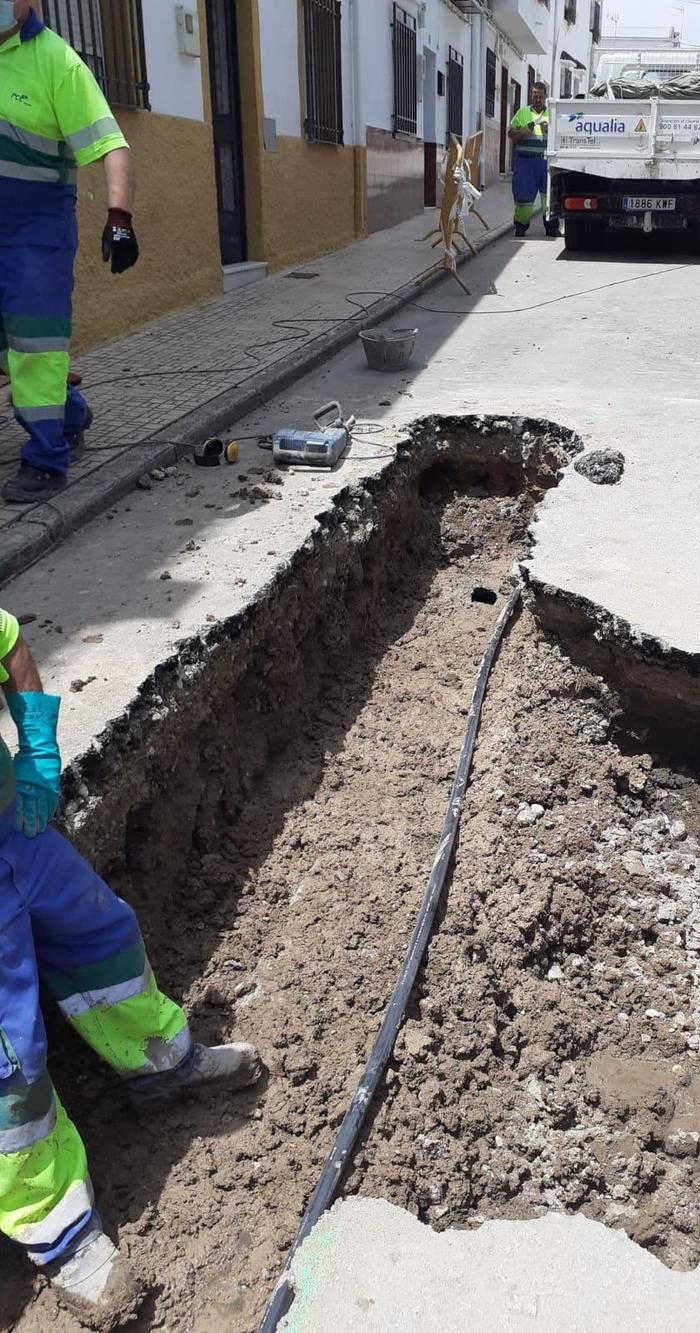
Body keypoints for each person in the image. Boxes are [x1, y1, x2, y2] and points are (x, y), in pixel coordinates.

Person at [0, 607, 260, 1326]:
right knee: (8, 1062)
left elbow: (10, 642)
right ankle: (59, 1232)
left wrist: (38, 748)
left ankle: (159, 1063)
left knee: (103, 938)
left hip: (12, 834)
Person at [0, 1, 139, 505]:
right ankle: (72, 412)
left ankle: (45, 458)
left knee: (34, 345)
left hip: (35, 232)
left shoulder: (55, 60)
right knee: (8, 348)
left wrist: (119, 218)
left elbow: (109, 144)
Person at [508, 81, 560, 239]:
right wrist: (521, 132)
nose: (537, 99)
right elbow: (510, 133)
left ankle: (551, 227)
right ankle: (520, 226)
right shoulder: (522, 113)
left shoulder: (551, 113)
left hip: (545, 162)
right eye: (535, 96)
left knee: (549, 196)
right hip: (525, 162)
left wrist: (549, 130)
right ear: (531, 95)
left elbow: (560, 134)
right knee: (523, 195)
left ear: (545, 97)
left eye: (540, 96)